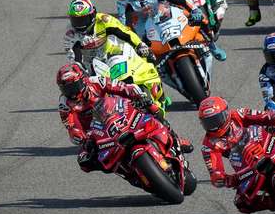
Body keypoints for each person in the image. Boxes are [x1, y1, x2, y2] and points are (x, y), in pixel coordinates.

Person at [57, 63, 193, 172]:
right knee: (84, 162)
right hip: (95, 132)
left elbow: (120, 87)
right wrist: (81, 137)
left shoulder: (96, 81)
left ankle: (175, 139)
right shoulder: (64, 103)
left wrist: (138, 96)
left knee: (153, 110)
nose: (72, 92)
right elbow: (71, 125)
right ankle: (125, 170)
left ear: (83, 80)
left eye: (74, 86)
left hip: (116, 112)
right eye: (67, 89)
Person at [116, 0, 227, 61]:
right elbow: (122, 21)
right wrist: (131, 39)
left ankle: (212, 45)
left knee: (200, 17)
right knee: (138, 43)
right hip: (143, 18)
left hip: (164, 8)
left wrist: (194, 10)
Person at [63, 0, 152, 72]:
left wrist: (140, 44)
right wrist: (80, 70)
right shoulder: (70, 34)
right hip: (90, 67)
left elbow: (125, 33)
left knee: (136, 66)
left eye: (83, 19)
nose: (80, 24)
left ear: (92, 15)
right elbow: (75, 58)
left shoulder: (104, 20)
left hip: (112, 57)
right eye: (76, 20)